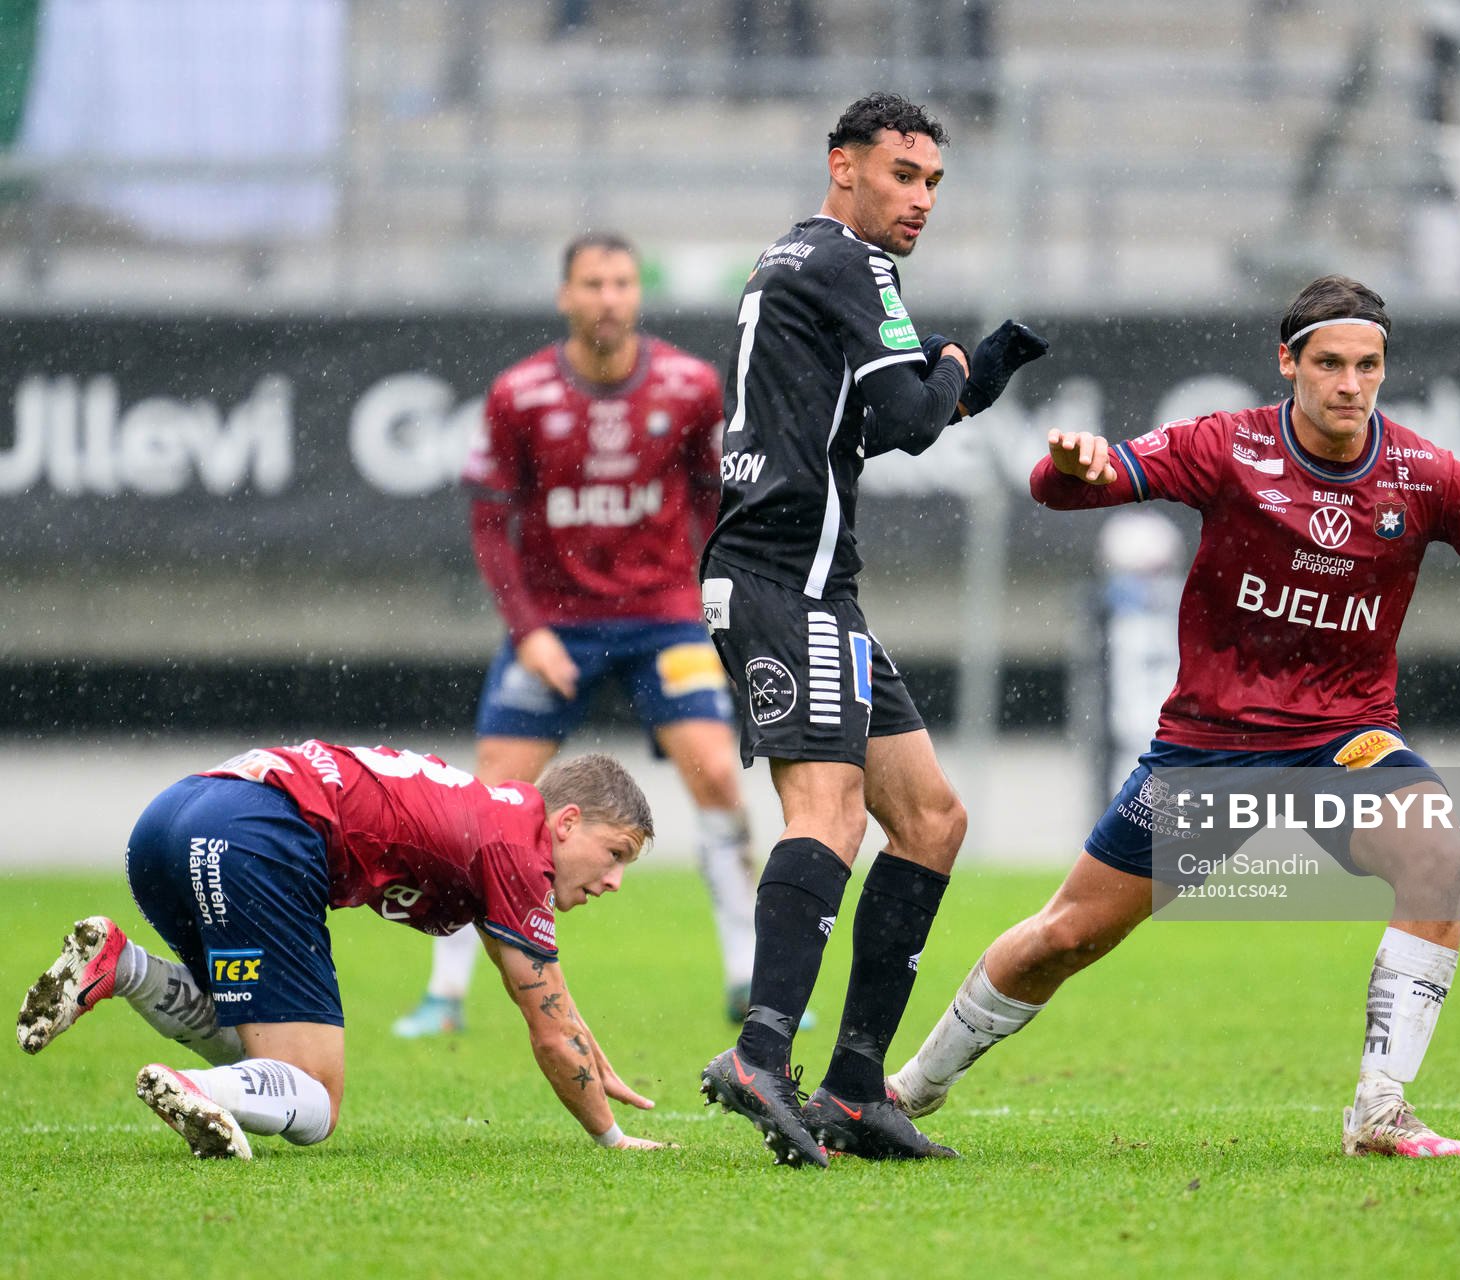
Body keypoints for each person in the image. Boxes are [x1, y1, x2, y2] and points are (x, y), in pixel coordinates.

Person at [887, 274, 1460, 1158]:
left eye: (1368, 365)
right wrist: (1066, 469)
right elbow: (1070, 488)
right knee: (1066, 937)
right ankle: (913, 1085)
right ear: (1288, 362)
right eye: (1329, 363)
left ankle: (1379, 1109)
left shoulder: (1424, 474)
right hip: (1209, 748)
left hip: (1344, 740)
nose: (1350, 384)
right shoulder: (1227, 447)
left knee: (1436, 855)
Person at [694, 92, 1050, 1167]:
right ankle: (761, 1050)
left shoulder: (800, 262)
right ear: (842, 166)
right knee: (829, 810)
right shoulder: (854, 265)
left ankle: (854, 1086)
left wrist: (964, 379)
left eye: (934, 181)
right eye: (903, 174)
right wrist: (954, 367)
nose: (921, 198)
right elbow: (906, 415)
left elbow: (879, 424)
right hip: (780, 580)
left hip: (811, 586)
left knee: (931, 818)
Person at [391, 231, 772, 1039]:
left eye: (622, 283)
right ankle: (445, 991)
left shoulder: (691, 384)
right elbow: (492, 525)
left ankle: (750, 976)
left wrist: (707, 610)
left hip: (664, 617)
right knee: (486, 795)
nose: (608, 298)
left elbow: (715, 503)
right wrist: (527, 633)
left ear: (639, 294)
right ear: (565, 295)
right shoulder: (520, 393)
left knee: (718, 776)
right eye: (593, 283)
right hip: (555, 624)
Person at [16, 743, 664, 1159]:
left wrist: (584, 1046)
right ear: (568, 821)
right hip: (260, 833)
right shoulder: (517, 850)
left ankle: (120, 965)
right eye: (615, 856)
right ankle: (195, 1088)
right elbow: (547, 1030)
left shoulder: (495, 818)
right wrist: (611, 1137)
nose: (613, 882)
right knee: (316, 1099)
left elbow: (546, 1004)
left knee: (254, 1044)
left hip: (176, 814)